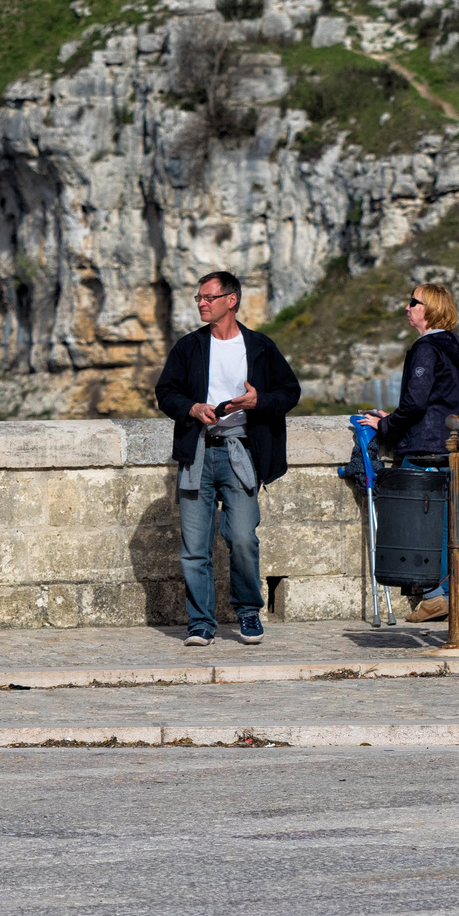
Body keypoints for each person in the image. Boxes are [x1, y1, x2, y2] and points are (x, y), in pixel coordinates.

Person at [155, 271, 301, 646]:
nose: (201, 303)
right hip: (197, 453)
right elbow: (165, 392)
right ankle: (200, 623)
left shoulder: (260, 346)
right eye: (199, 298)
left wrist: (258, 401)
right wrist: (191, 407)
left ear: (231, 300)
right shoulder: (188, 347)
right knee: (194, 546)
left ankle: (249, 613)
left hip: (241, 453)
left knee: (241, 537)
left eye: (208, 297)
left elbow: (289, 391)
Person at [358, 283, 459, 623]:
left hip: (427, 447)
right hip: (452, 445)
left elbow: (417, 403)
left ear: (430, 308)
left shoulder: (426, 348)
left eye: (413, 302)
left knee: (421, 524)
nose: (406, 307)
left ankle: (437, 597)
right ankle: (449, 594)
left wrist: (385, 426)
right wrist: (392, 418)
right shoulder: (451, 348)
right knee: (446, 525)